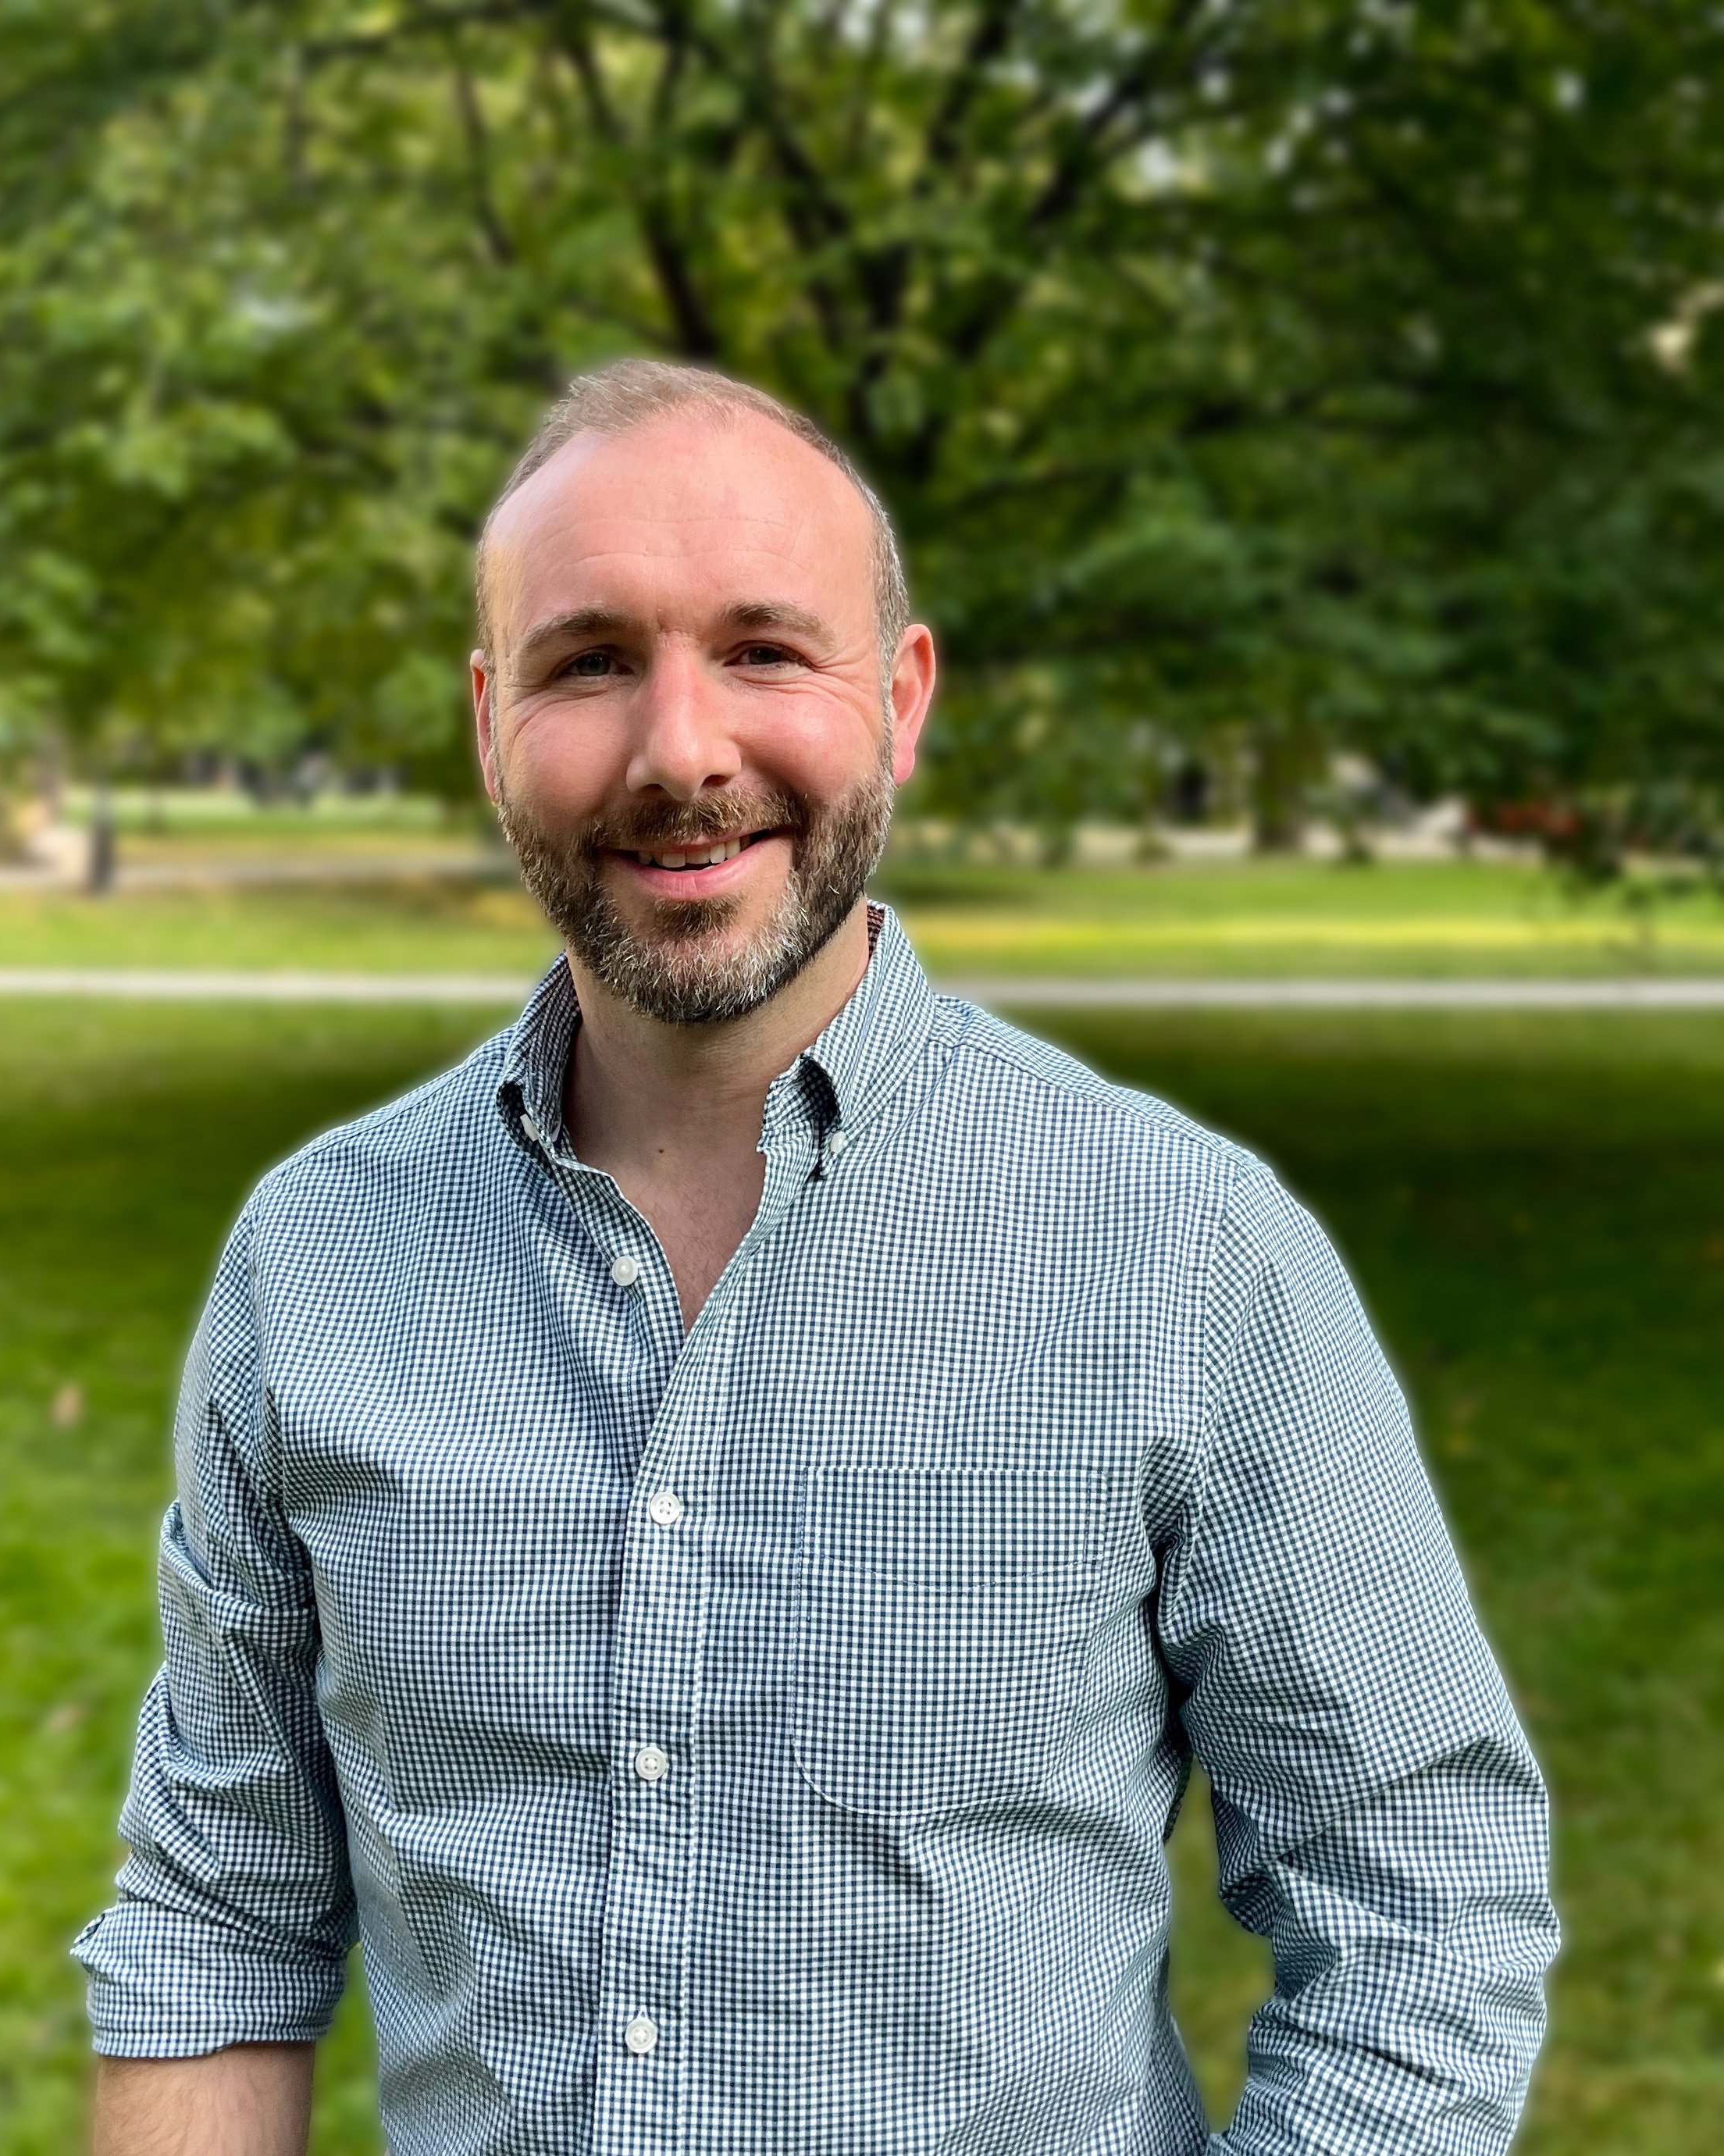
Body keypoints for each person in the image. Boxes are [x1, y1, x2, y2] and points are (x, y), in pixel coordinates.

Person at [76, 360, 1558, 2156]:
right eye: (589, 661)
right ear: (488, 720)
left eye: (765, 649)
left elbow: (1423, 1900)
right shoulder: (315, 1263)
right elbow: (215, 1924)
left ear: (902, 697)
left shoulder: (1188, 1254)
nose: (682, 752)